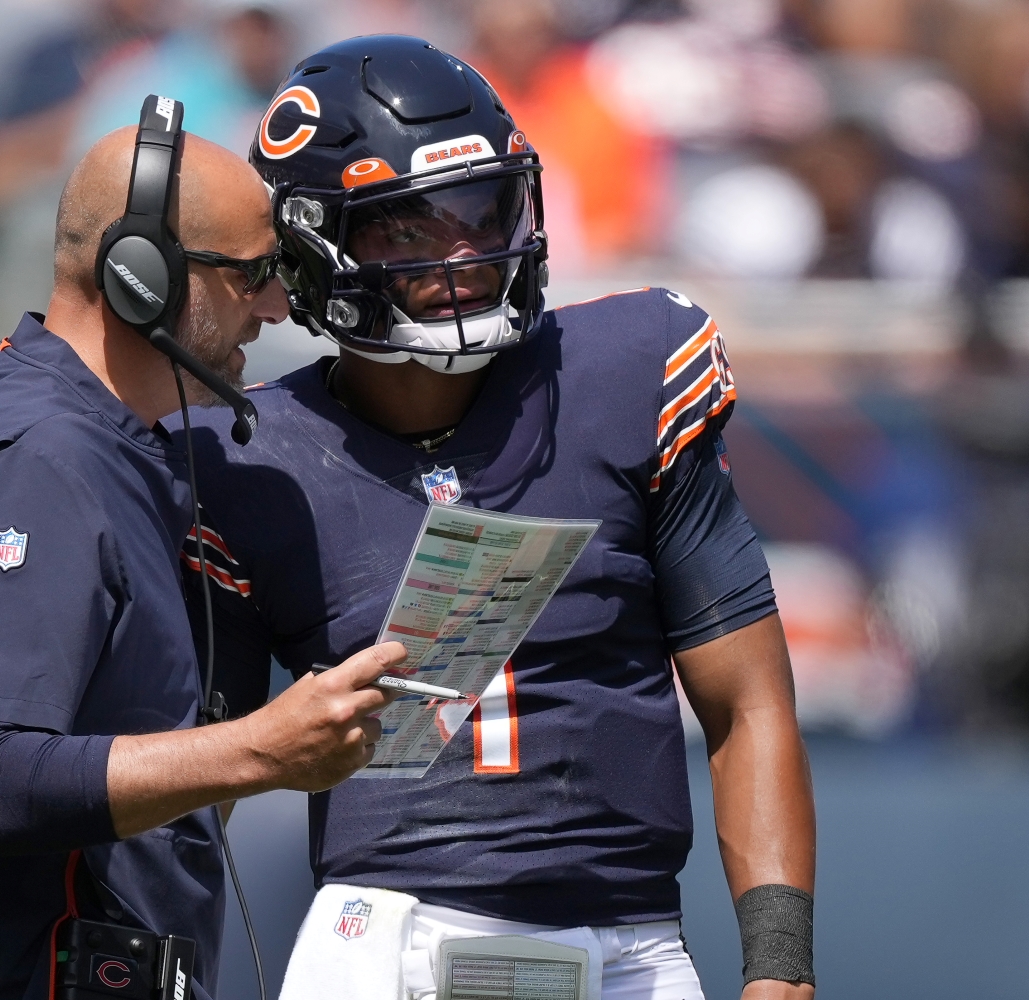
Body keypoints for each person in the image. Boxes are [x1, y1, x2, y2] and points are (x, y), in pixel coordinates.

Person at [181, 36, 817, 1000]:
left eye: (485, 213)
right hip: (385, 935)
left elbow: (747, 702)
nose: (467, 256)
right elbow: (199, 780)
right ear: (316, 249)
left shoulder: (624, 374)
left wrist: (779, 972)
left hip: (635, 947)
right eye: (411, 228)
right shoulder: (244, 460)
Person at [0, 114, 408, 1000]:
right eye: (251, 274)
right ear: (141, 277)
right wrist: (262, 750)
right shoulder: (40, 460)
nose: (276, 306)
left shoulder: (103, 444)